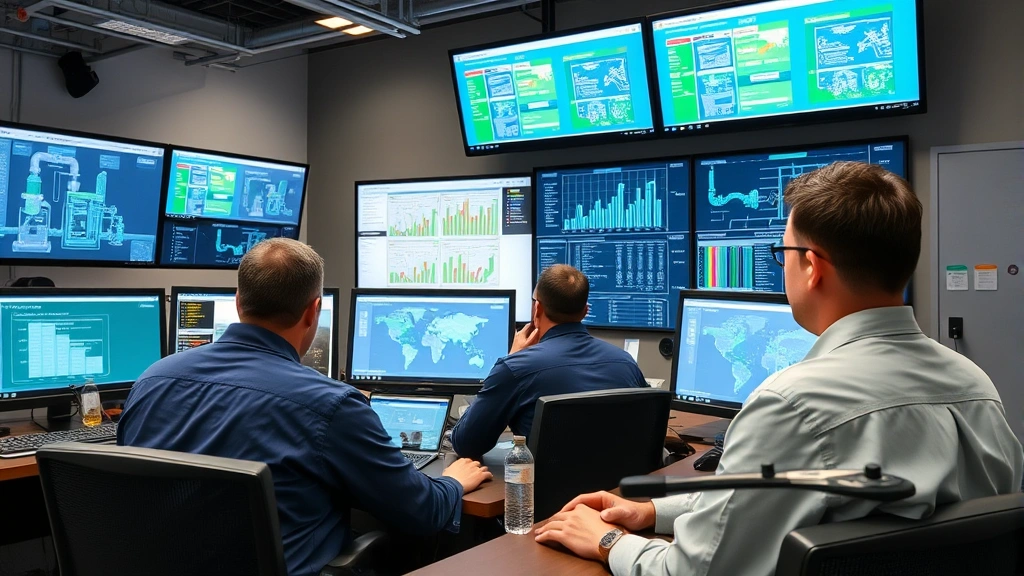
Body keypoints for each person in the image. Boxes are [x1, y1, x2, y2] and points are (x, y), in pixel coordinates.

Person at [535, 162, 1024, 575]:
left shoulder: (792, 405)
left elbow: (695, 571)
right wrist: (651, 511)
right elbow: (797, 505)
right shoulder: (976, 385)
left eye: (783, 253)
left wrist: (606, 542)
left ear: (812, 266)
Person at [118, 238, 491, 576]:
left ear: (238, 301)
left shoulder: (151, 381)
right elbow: (421, 512)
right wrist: (453, 482)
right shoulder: (332, 405)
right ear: (314, 311)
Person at [450, 264, 648, 460]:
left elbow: (466, 444)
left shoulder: (516, 368)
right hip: (616, 490)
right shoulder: (626, 363)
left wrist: (511, 358)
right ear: (585, 311)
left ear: (538, 308)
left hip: (546, 491)